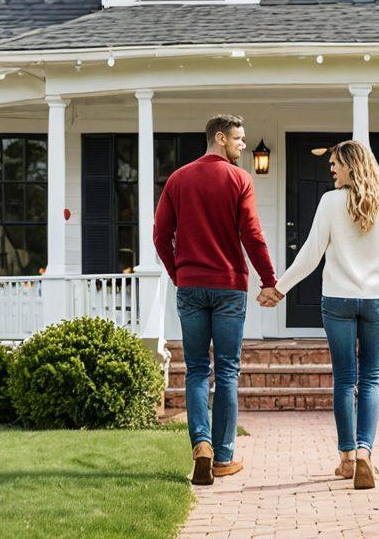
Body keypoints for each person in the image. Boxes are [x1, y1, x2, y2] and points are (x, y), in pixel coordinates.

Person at [259, 140, 379, 490]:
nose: (332, 169)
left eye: (337, 164)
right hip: (376, 302)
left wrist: (280, 288)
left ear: (352, 167)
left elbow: (310, 255)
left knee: (344, 381)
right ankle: (364, 454)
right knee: (370, 381)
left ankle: (345, 460)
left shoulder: (329, 203)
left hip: (338, 301)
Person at [154, 114, 276, 486]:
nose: (243, 144)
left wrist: (180, 275)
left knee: (195, 370)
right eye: (238, 138)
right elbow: (251, 234)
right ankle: (222, 458)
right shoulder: (239, 179)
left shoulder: (178, 179)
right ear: (220, 138)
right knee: (225, 372)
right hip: (228, 288)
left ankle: (201, 446)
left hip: (191, 287)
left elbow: (161, 235)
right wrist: (269, 280)